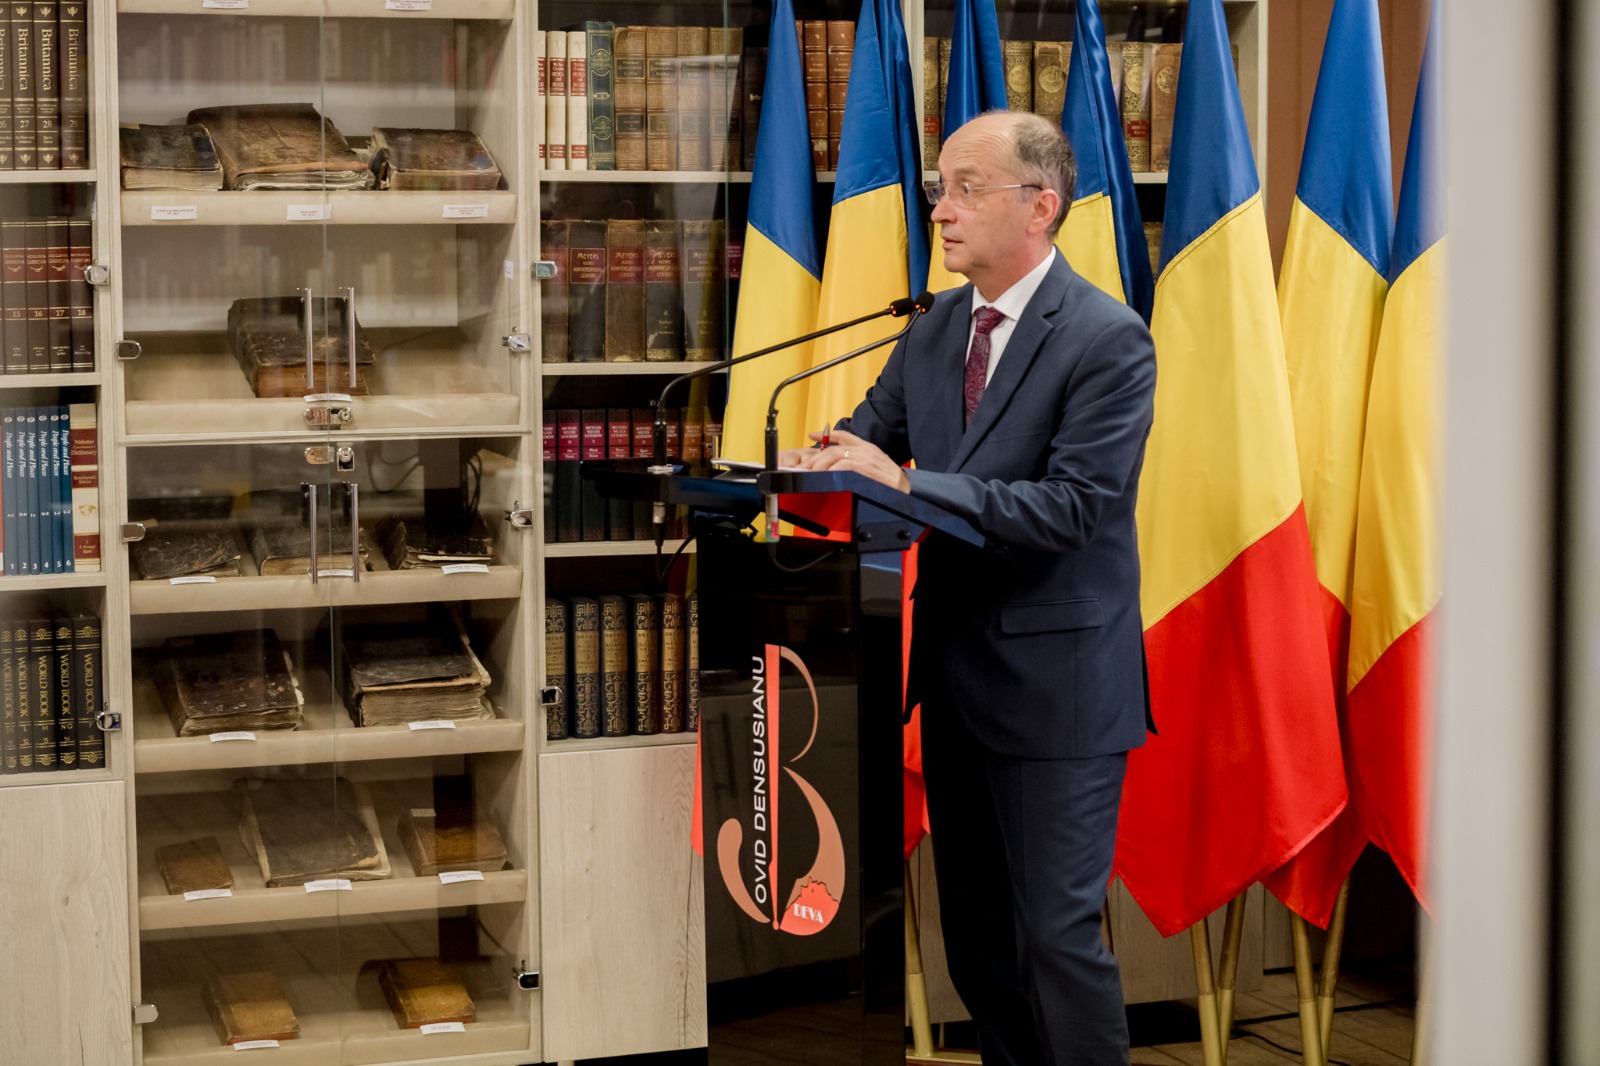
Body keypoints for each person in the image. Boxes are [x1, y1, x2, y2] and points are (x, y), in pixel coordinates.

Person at [781, 110, 1157, 1066]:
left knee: (1054, 941)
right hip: (953, 683)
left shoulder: (1107, 339)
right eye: (937, 188)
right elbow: (867, 443)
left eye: (964, 189)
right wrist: (808, 466)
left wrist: (907, 483)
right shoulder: (937, 325)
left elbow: (1073, 508)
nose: (940, 210)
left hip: (1056, 693)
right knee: (981, 946)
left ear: (1041, 206)